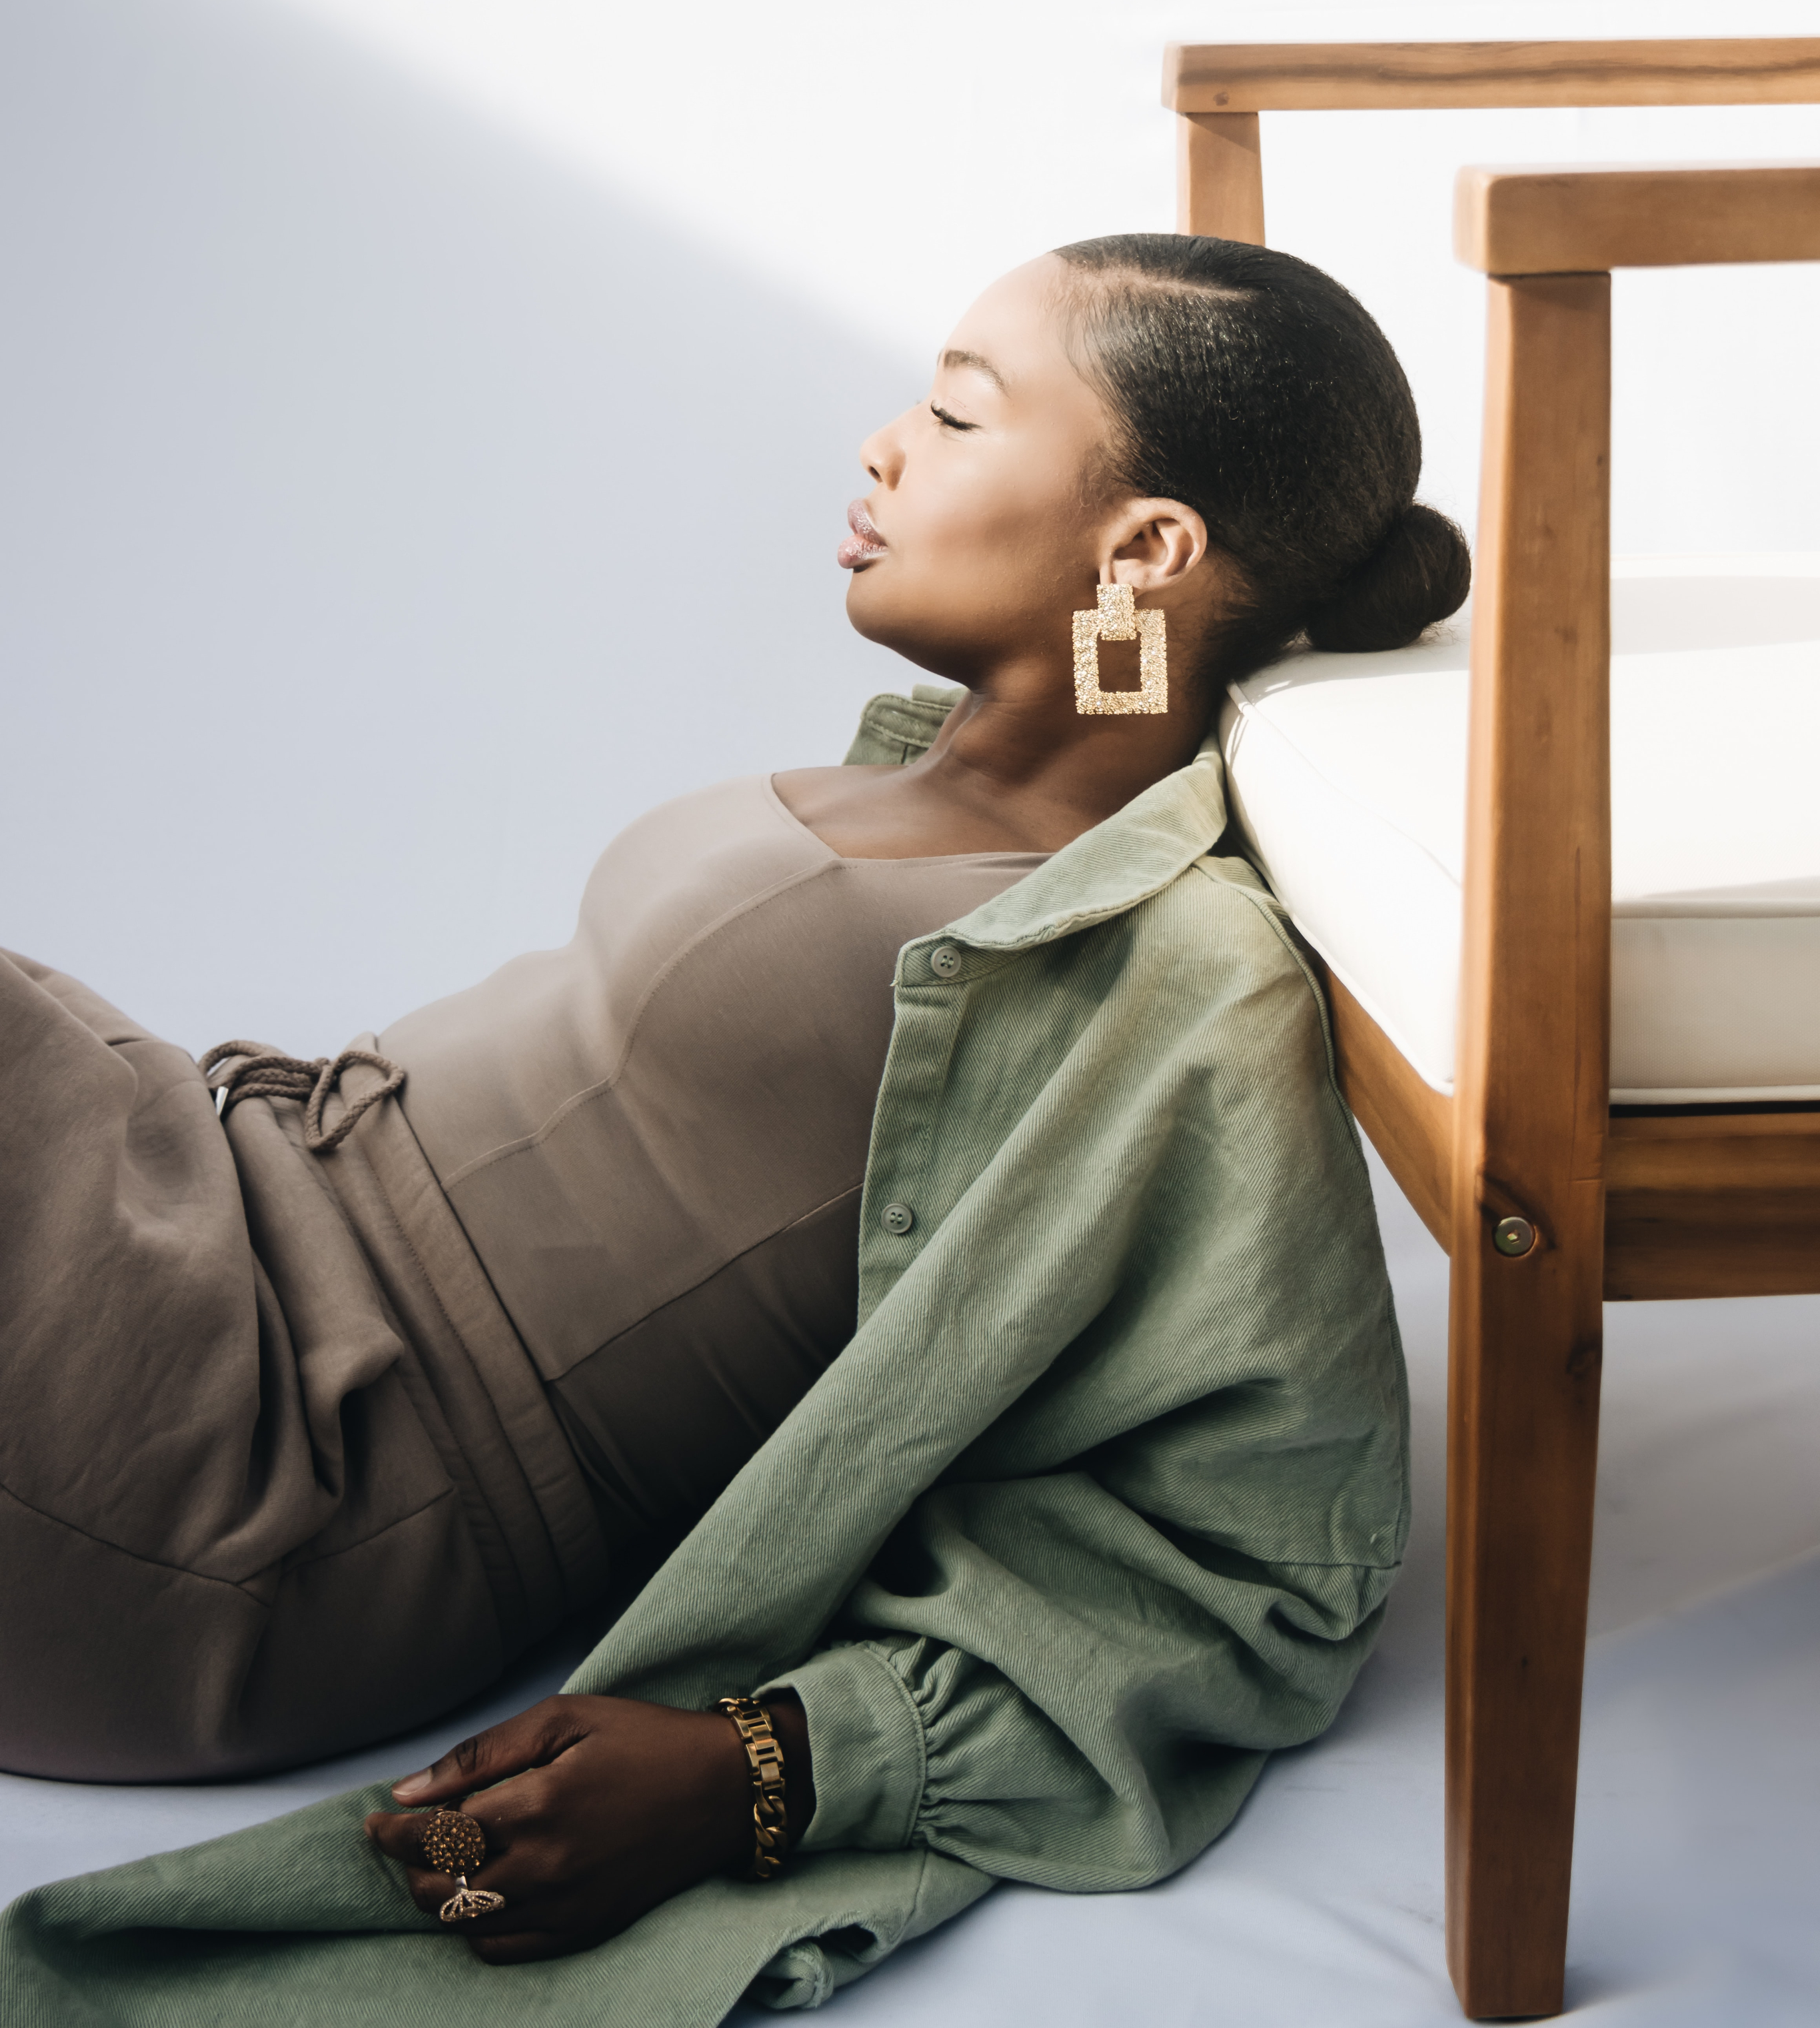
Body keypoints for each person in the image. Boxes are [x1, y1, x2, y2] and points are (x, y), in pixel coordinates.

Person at [0, 232, 1467, 2015]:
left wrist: (767, 1769)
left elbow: (1255, 1567)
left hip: (256, 1474)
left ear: (1144, 550)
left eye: (954, 410)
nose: (881, 447)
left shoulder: (1158, 966)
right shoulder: (924, 761)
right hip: (209, 1200)